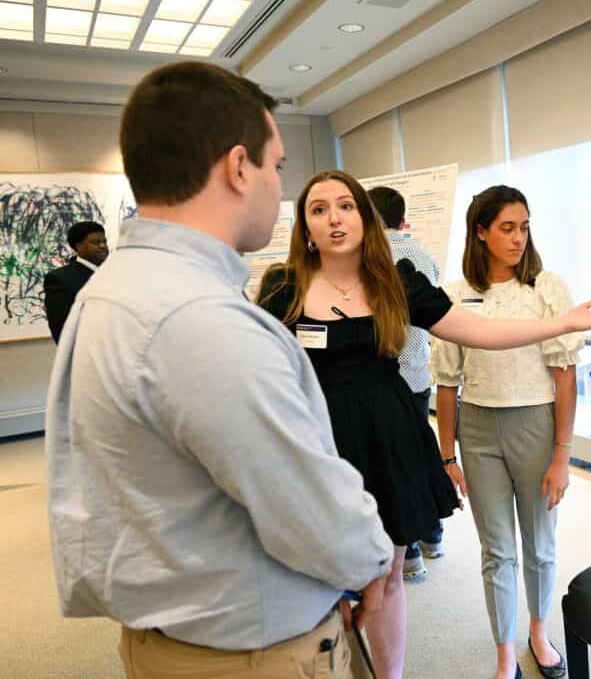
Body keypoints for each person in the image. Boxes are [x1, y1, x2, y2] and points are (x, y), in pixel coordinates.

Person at [46, 61, 393, 679]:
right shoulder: (198, 318)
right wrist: (372, 561)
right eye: (276, 167)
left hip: (185, 633)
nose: (278, 187)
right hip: (251, 653)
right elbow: (307, 510)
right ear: (238, 167)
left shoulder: (119, 288)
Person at [257, 170, 591, 679]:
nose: (333, 218)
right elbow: (259, 369)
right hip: (320, 444)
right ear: (305, 225)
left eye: (345, 206)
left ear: (364, 218)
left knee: (388, 575)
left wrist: (563, 324)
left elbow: (478, 331)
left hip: (388, 438)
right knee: (328, 578)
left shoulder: (394, 280)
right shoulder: (284, 288)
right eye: (318, 209)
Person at [432, 186, 578, 679]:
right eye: (507, 228)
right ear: (481, 232)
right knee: (496, 549)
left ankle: (538, 631)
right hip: (477, 430)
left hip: (535, 425)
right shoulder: (455, 294)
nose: (519, 238)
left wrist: (562, 455)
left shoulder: (546, 288)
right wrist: (447, 456)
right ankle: (503, 652)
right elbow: (447, 383)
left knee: (539, 543)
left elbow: (564, 374)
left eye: (525, 226)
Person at [367, 185, 445, 582]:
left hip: (383, 380)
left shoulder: (371, 260)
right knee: (420, 453)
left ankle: (410, 551)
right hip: (417, 374)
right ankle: (433, 535)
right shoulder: (426, 257)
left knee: (394, 467)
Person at [43, 220, 108, 342]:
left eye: (104, 241)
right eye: (96, 242)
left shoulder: (112, 273)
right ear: (78, 246)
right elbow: (61, 330)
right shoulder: (60, 279)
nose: (103, 246)